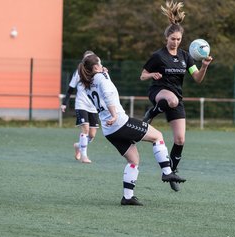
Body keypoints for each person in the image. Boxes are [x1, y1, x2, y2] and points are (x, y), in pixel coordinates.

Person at [79, 54, 186, 206]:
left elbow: (103, 92)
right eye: (100, 64)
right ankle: (167, 172)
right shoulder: (101, 79)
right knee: (157, 136)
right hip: (120, 122)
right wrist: (115, 115)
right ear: (96, 67)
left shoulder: (88, 83)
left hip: (109, 130)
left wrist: (105, 74)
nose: (102, 66)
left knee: (133, 160)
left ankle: (127, 197)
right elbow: (108, 96)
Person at [140, 0, 213, 191]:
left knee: (180, 139)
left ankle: (170, 172)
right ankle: (152, 113)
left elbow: (197, 78)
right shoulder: (158, 56)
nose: (176, 42)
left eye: (179, 39)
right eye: (173, 39)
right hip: (159, 92)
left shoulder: (185, 56)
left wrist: (204, 67)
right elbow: (142, 75)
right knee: (170, 99)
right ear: (167, 38)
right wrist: (152, 74)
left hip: (176, 99)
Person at [61, 51, 99, 163]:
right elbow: (70, 89)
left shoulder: (98, 74)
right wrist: (64, 103)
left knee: (92, 135)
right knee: (85, 129)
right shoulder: (78, 73)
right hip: (81, 104)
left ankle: (78, 145)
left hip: (93, 107)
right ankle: (84, 156)